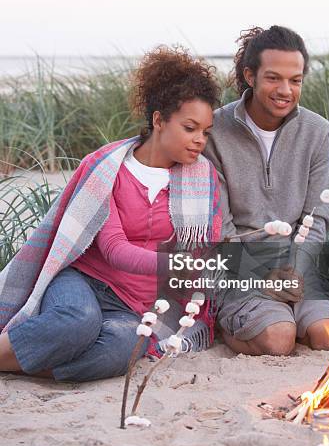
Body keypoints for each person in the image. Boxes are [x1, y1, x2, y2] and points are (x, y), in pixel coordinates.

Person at [0, 46, 222, 381]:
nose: (199, 140)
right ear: (159, 120)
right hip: (84, 281)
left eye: (205, 132)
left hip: (135, 305)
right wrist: (175, 262)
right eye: (190, 128)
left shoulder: (204, 181)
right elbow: (114, 249)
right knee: (77, 322)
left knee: (121, 350)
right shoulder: (106, 168)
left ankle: (33, 358)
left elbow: (207, 249)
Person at [204, 25, 329, 356]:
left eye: (296, 80)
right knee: (279, 340)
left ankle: (293, 316)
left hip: (299, 269)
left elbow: (319, 215)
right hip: (240, 270)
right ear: (250, 76)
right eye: (274, 78)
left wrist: (298, 270)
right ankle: (227, 322)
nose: (286, 90)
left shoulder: (318, 131)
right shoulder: (215, 130)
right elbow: (221, 226)